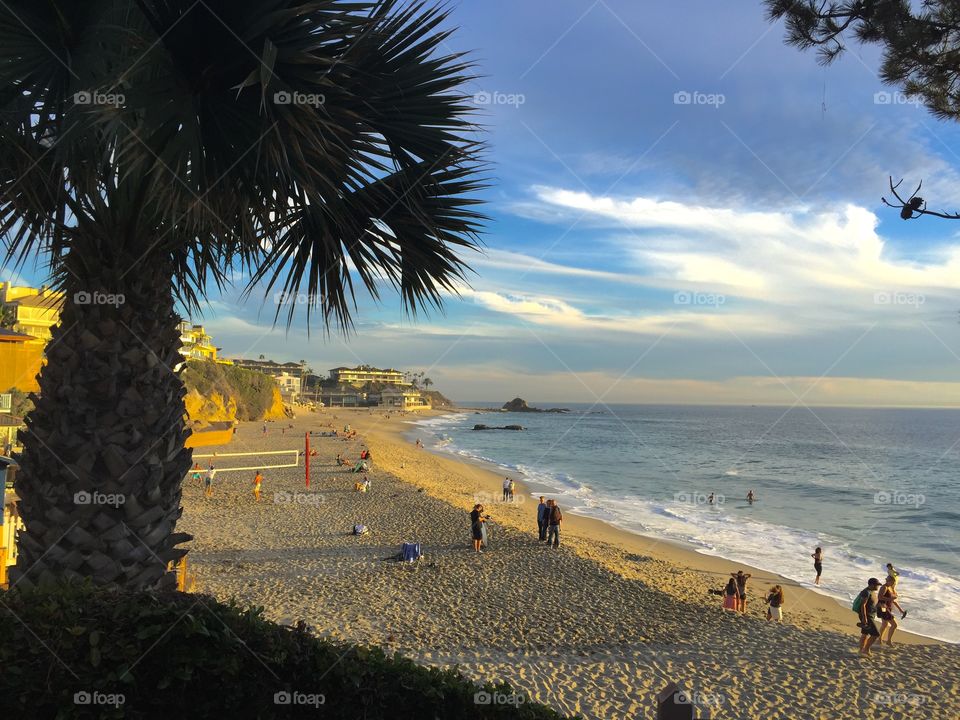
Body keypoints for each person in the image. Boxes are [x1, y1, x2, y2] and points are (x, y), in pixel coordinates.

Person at [878, 574, 906, 646]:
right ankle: (888, 641)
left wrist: (900, 610)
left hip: (887, 608)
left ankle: (879, 639)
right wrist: (890, 599)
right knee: (894, 625)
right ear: (888, 581)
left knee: (884, 624)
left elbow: (893, 601)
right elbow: (880, 597)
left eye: (894, 582)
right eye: (892, 582)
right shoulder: (884, 587)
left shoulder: (890, 588)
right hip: (883, 607)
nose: (893, 583)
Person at [857, 577, 883, 655]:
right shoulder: (866, 592)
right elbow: (863, 605)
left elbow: (872, 603)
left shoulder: (872, 592)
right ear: (872, 585)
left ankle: (861, 650)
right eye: (877, 585)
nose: (878, 587)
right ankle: (866, 649)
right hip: (867, 616)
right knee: (875, 634)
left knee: (865, 633)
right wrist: (864, 618)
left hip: (871, 615)